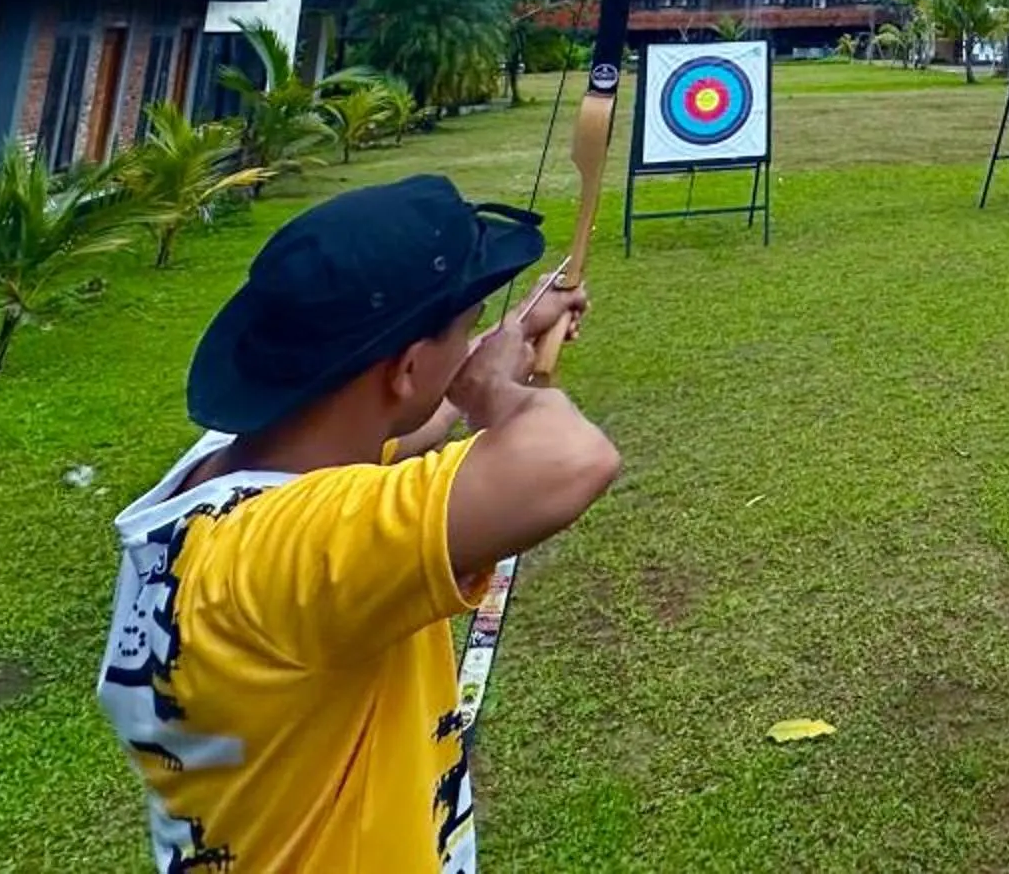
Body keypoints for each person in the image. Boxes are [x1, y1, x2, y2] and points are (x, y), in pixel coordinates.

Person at [98, 175, 620, 874]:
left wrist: (504, 339)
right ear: (405, 368)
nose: (470, 343)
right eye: (461, 329)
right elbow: (568, 459)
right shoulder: (292, 550)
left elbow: (401, 424)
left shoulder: (230, 476)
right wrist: (497, 390)